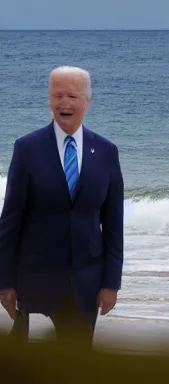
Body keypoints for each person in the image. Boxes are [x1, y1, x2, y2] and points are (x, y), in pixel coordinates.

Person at [0, 66, 124, 349]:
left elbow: (113, 225)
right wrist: (4, 282)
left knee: (77, 369)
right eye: (57, 95)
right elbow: (10, 221)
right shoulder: (27, 148)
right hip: (34, 285)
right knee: (34, 371)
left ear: (86, 102)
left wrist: (111, 284)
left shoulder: (106, 152)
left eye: (71, 95)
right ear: (48, 99)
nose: (64, 103)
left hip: (86, 286)